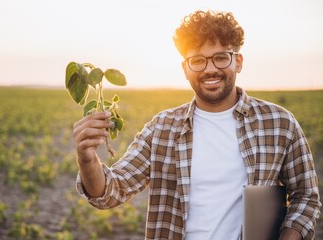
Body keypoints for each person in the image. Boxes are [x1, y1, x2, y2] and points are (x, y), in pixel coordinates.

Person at [73, 10, 321, 240]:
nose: (210, 69)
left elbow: (306, 196)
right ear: (185, 68)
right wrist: (87, 159)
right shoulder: (161, 129)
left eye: (221, 57)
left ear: (238, 62)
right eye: (198, 60)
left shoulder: (278, 123)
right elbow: (111, 191)